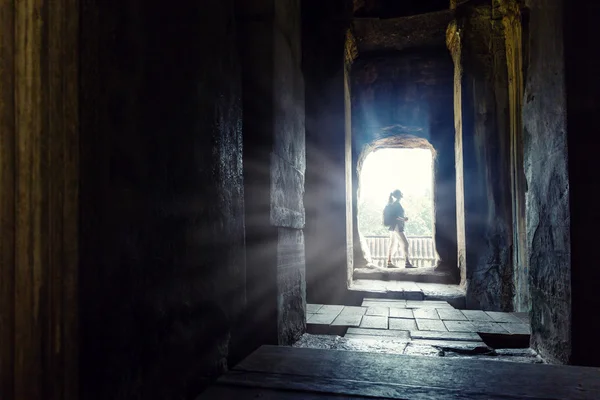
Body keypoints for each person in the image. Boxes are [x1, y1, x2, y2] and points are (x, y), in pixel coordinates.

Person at [386, 189, 415, 268]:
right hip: (397, 226)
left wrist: (402, 219)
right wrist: (403, 219)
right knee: (405, 243)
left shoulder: (394, 204)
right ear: (399, 196)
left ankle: (389, 262)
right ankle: (407, 263)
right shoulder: (396, 204)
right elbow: (395, 216)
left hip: (393, 227)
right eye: (401, 194)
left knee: (393, 243)